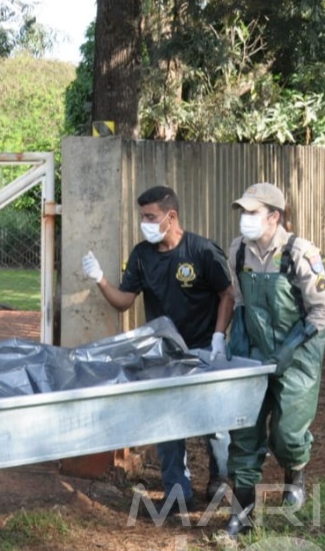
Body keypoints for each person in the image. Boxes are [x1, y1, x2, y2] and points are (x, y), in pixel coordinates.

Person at [82, 186, 235, 510]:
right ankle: (178, 490)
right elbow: (125, 302)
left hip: (204, 348)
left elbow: (227, 294)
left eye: (150, 217)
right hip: (164, 351)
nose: (145, 223)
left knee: (215, 422)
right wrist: (100, 280)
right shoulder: (142, 255)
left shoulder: (202, 251)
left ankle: (221, 478)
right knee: (167, 422)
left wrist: (219, 337)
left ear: (171, 216)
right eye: (142, 217)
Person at [224, 182, 325, 538]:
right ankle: (243, 512)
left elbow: (322, 310)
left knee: (287, 435)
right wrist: (233, 346)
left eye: (252, 213)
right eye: (243, 212)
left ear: (274, 217)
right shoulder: (238, 252)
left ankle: (295, 472)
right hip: (254, 353)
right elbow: (239, 301)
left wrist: (290, 348)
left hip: (298, 356)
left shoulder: (299, 253)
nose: (245, 219)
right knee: (244, 430)